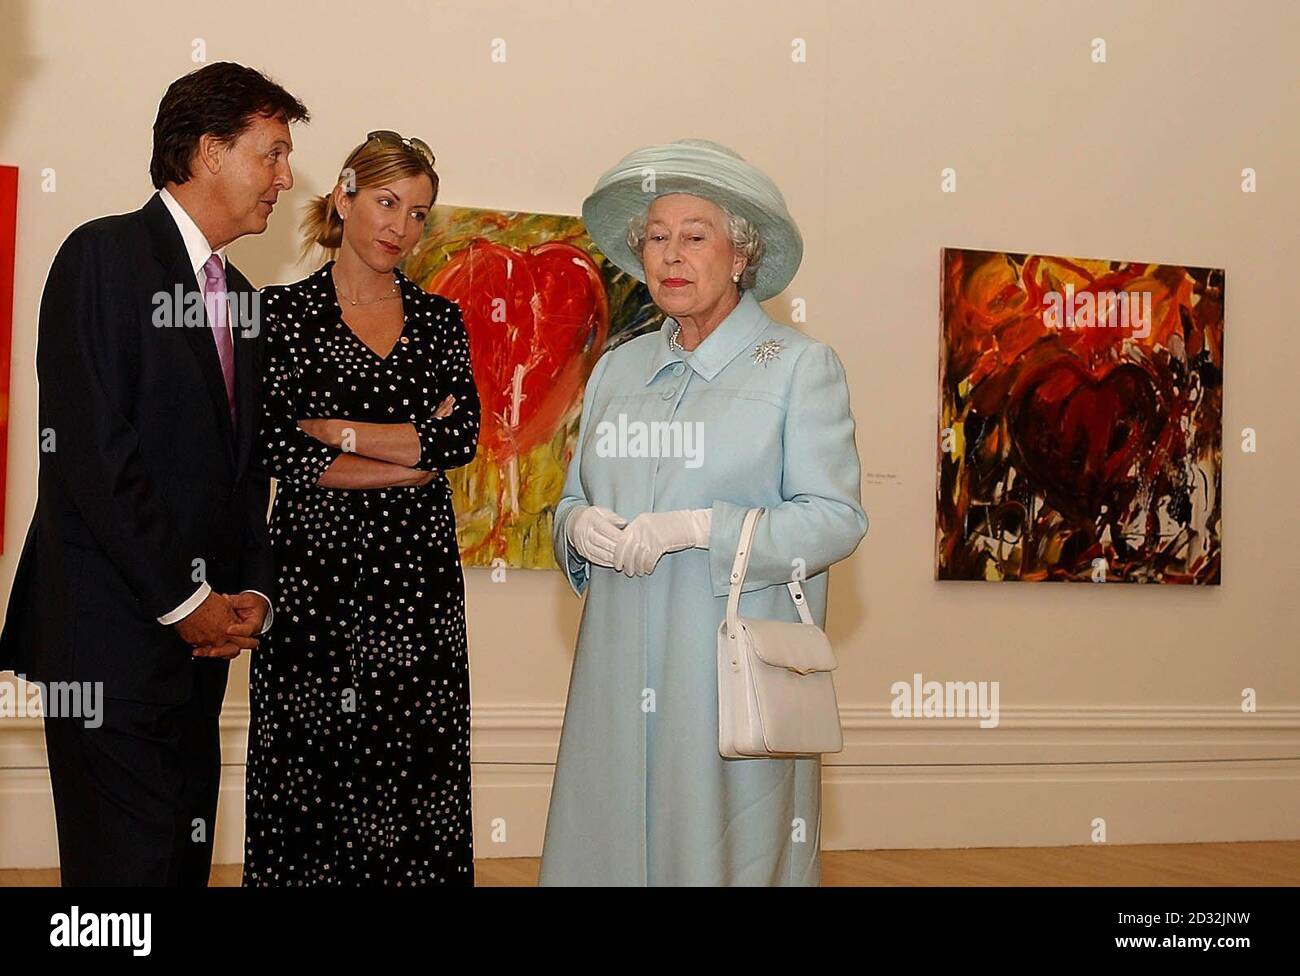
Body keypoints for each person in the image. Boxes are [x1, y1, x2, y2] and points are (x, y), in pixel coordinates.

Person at [0, 62, 308, 885]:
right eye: (271, 153)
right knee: (119, 886)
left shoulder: (241, 298)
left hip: (198, 656)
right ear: (209, 151)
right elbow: (92, 456)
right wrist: (186, 601)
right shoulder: (100, 256)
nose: (285, 178)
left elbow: (250, 473)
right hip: (109, 646)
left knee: (178, 864)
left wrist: (251, 593)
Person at [539, 138, 868, 886]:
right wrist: (575, 528)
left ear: (741, 255)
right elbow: (571, 498)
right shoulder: (618, 369)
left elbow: (835, 519)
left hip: (728, 682)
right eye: (657, 238)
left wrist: (700, 528)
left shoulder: (796, 368)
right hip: (614, 676)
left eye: (695, 236)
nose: (670, 255)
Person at [242, 130, 480, 886]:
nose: (399, 227)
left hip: (419, 590)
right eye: (385, 201)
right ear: (343, 196)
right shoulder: (278, 314)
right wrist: (409, 457)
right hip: (315, 585)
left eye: (418, 213)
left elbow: (462, 436)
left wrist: (341, 435)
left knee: (417, 766)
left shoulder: (440, 321)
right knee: (309, 769)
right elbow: (277, 448)